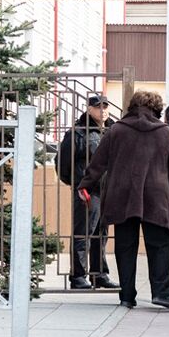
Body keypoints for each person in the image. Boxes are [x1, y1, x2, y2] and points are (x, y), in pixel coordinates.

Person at [78, 90, 169, 310]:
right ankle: (161, 293)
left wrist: (85, 184)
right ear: (157, 109)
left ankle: (127, 295)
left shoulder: (117, 130)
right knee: (159, 245)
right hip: (156, 195)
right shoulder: (165, 133)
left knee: (125, 246)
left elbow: (98, 162)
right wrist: (167, 185)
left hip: (123, 195)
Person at [56, 94, 117, 290]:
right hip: (87, 191)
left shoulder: (113, 130)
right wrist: (77, 183)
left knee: (101, 234)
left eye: (106, 106)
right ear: (89, 109)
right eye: (99, 107)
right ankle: (78, 276)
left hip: (108, 190)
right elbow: (63, 162)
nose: (103, 110)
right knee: (83, 233)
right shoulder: (78, 133)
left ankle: (99, 275)